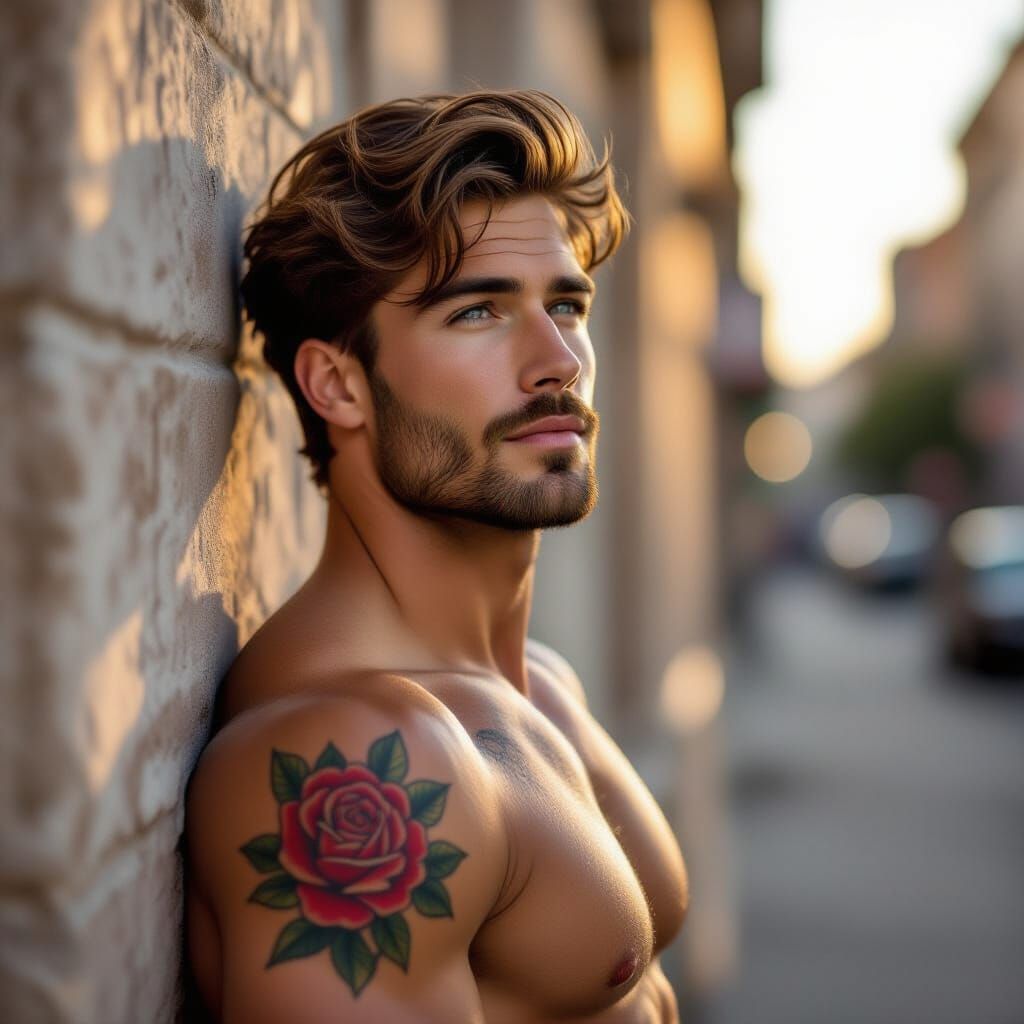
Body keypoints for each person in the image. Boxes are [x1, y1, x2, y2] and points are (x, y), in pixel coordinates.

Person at [185, 89, 688, 1023]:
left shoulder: (542, 684)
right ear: (338, 384)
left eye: (566, 304)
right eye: (477, 314)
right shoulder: (350, 758)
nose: (558, 360)